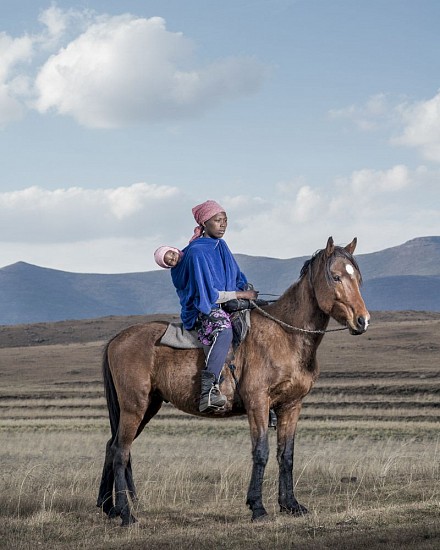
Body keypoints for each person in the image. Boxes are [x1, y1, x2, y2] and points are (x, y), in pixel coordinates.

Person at [170, 200, 258, 412]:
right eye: (218, 220)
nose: (223, 224)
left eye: (225, 220)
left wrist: (247, 291)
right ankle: (208, 391)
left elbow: (236, 276)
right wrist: (239, 294)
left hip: (226, 302)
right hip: (204, 308)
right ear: (205, 223)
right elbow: (207, 295)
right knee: (224, 331)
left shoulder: (222, 246)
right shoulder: (197, 252)